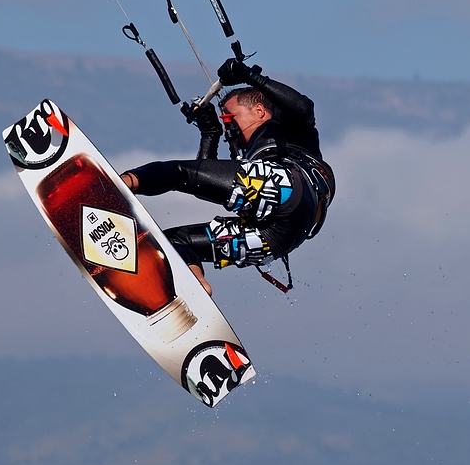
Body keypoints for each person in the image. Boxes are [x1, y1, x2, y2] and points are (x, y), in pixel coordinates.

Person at [120, 57, 334, 295]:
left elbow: (304, 107)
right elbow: (205, 180)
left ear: (260, 111)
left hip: (290, 188)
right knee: (173, 243)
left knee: (177, 172)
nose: (227, 127)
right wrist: (209, 133)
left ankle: (121, 185)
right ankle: (198, 288)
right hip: (278, 238)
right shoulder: (251, 161)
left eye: (230, 118)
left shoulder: (287, 127)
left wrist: (248, 75)